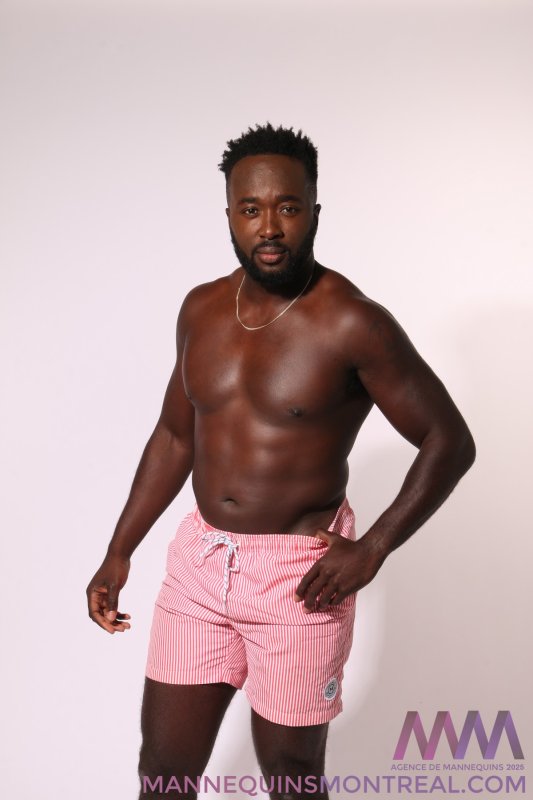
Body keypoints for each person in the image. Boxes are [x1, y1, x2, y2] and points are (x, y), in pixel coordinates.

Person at [86, 123, 475, 800]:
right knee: (162, 773)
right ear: (229, 216)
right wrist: (119, 551)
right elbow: (175, 437)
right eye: (251, 209)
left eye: (287, 208)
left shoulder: (352, 322)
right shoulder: (201, 309)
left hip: (300, 579)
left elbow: (449, 440)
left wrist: (373, 547)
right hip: (200, 567)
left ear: (314, 212)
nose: (269, 227)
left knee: (292, 780)